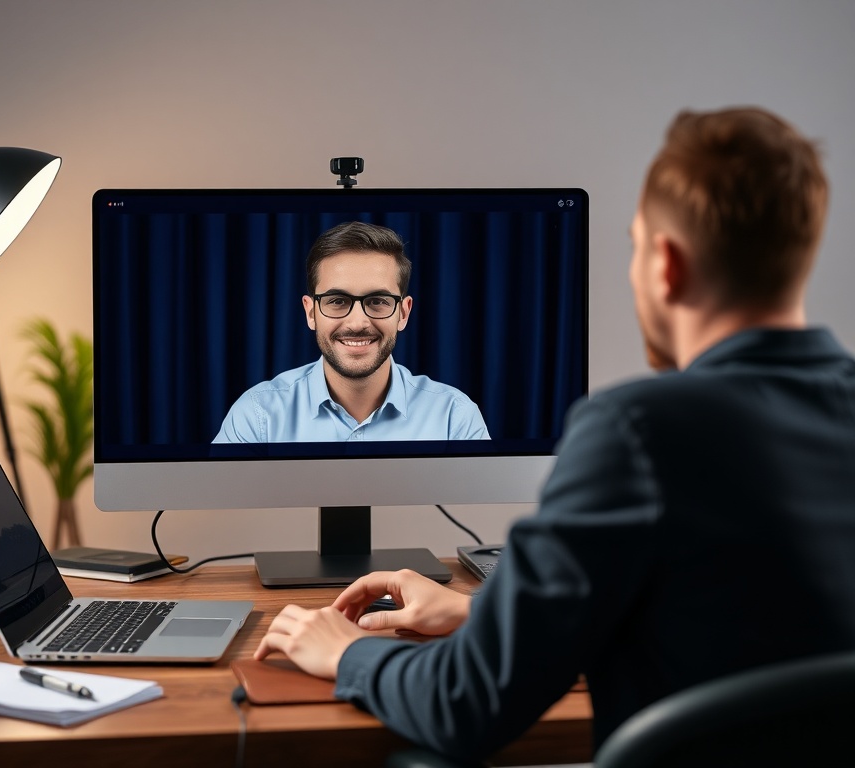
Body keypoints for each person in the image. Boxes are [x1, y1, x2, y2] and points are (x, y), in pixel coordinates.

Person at [254, 107, 855, 761]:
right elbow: (737, 620)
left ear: (667, 265)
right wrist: (479, 614)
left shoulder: (638, 432)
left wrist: (352, 654)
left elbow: (466, 705)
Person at [212, 221, 490, 443]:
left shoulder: (455, 417)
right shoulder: (257, 415)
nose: (357, 323)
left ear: (403, 313)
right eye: (337, 301)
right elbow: (220, 514)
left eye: (378, 301)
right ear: (311, 313)